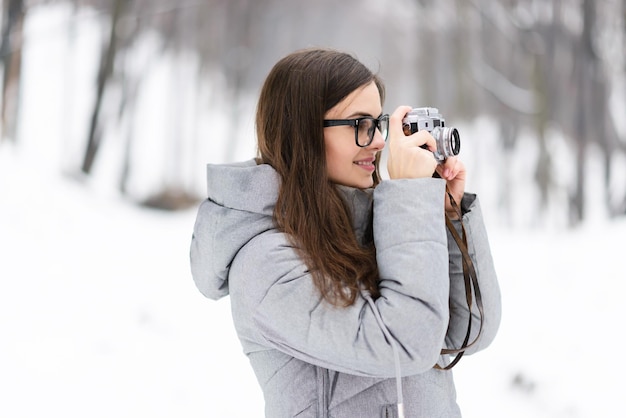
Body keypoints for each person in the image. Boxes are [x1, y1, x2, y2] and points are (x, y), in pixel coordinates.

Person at [190, 47, 501, 418]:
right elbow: (405, 344)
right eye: (359, 124)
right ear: (302, 132)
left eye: (379, 123)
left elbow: (468, 332)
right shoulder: (264, 265)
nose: (380, 141)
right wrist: (408, 198)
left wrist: (445, 217)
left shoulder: (377, 226)